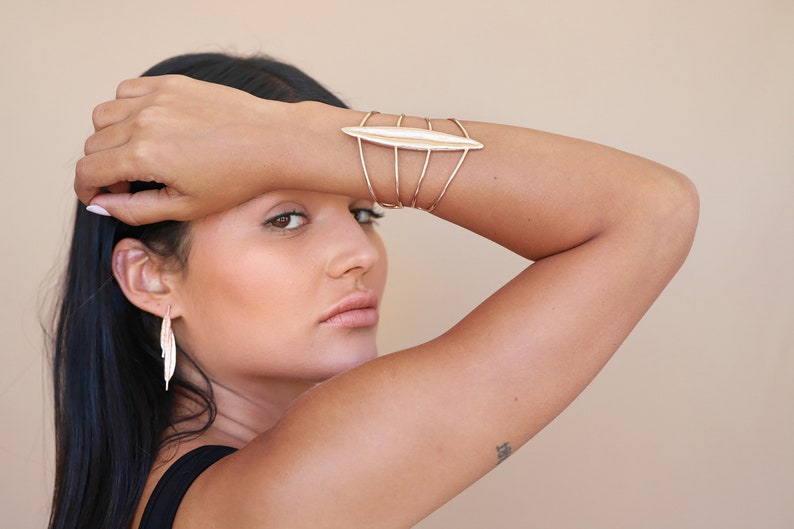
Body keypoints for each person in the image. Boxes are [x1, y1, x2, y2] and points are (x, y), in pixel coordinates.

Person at [50, 52, 698, 529]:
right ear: (152, 278)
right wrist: (298, 137)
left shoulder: (172, 491)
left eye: (365, 212)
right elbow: (650, 209)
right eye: (285, 218)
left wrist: (294, 137)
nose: (360, 254)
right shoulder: (277, 494)